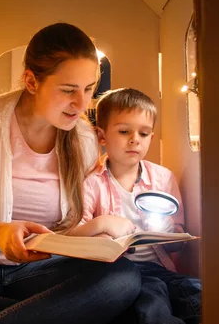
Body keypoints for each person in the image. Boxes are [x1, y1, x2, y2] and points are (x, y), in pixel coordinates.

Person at [0, 23, 141, 324]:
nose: (82, 104)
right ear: (31, 81)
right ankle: (47, 311)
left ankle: (36, 310)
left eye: (89, 89)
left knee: (123, 279)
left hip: (43, 269)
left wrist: (100, 229)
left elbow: (65, 233)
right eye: (68, 90)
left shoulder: (84, 139)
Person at [69, 88, 202, 324]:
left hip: (159, 267)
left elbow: (177, 243)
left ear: (151, 137)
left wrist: (166, 229)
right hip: (115, 272)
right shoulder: (90, 181)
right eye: (124, 131)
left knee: (195, 291)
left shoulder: (162, 178)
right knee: (152, 299)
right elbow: (74, 236)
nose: (134, 140)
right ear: (101, 136)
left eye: (144, 133)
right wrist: (100, 230)